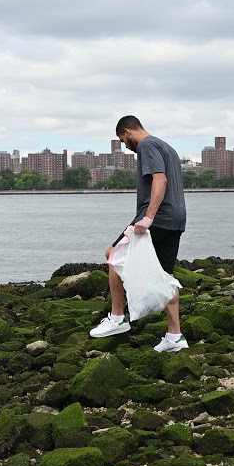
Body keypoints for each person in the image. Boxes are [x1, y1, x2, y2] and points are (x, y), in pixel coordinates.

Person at [89, 116, 188, 353]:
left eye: (123, 141)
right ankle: (175, 336)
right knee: (164, 276)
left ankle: (117, 318)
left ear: (127, 132)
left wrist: (148, 217)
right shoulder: (168, 148)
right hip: (176, 218)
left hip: (158, 218)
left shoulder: (147, 145)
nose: (126, 146)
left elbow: (160, 179)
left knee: (114, 255)